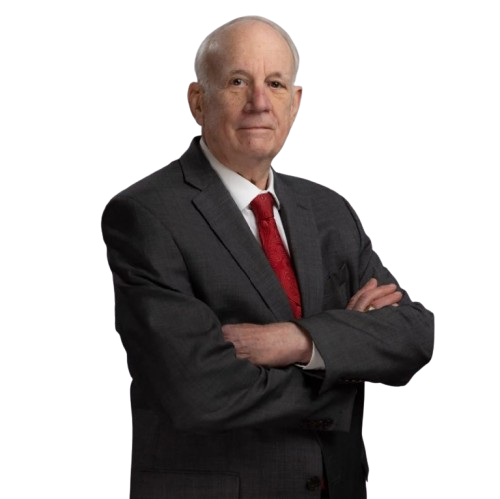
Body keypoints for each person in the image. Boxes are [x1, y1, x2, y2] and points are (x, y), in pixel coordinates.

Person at [101, 15, 435, 499]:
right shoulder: (145, 214)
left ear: (295, 102)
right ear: (197, 100)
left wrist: (297, 342)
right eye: (238, 82)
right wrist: (344, 360)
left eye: (275, 84)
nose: (259, 102)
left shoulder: (330, 208)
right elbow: (199, 391)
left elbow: (414, 335)